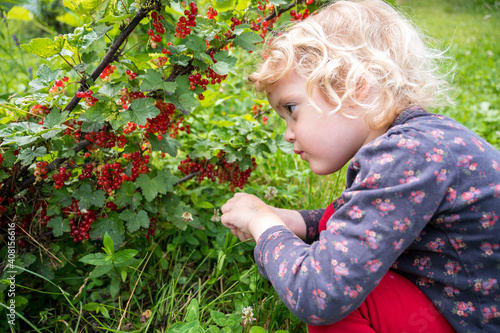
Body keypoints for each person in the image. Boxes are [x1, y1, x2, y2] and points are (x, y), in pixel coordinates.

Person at [220, 0, 500, 332]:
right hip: (462, 311)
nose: (288, 134)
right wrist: (294, 222)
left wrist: (262, 224)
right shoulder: (420, 144)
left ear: (353, 87)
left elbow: (319, 293)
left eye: (292, 109)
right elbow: (362, 223)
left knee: (339, 297)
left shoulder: (408, 155)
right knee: (333, 234)